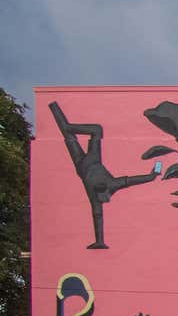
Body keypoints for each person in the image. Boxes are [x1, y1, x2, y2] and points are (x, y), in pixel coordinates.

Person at [48, 102, 160, 249]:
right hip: (93, 160)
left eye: (99, 191)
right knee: (92, 131)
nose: (100, 189)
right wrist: (150, 176)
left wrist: (99, 241)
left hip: (82, 165)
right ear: (107, 192)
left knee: (81, 134)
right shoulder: (112, 185)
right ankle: (63, 122)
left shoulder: (95, 198)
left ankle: (65, 125)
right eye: (103, 191)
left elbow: (98, 217)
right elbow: (132, 180)